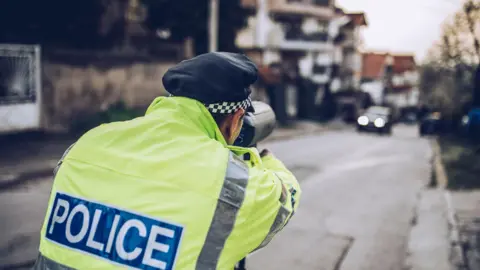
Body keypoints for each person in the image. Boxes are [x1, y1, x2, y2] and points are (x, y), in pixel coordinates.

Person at [33, 52, 301, 270]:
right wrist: (261, 158)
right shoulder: (232, 182)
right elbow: (285, 196)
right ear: (235, 118)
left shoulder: (87, 144)